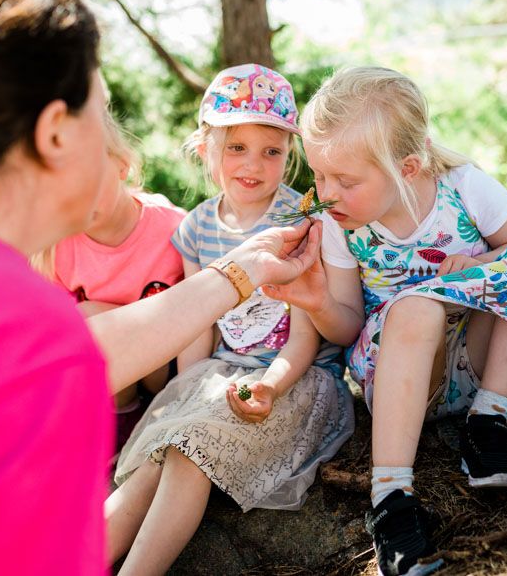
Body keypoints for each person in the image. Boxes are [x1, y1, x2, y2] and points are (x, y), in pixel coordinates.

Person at [0, 0, 321, 576]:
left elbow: (94, 344)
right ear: (58, 131)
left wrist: (240, 272)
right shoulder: (30, 323)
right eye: (101, 107)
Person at [264, 66, 507, 576]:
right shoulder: (340, 226)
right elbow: (347, 329)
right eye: (319, 176)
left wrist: (477, 266)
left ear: (407, 168)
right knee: (416, 306)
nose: (326, 193)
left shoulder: (463, 187)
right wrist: (318, 301)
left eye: (345, 181)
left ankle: (488, 422)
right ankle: (390, 496)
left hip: (479, 364)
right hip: (404, 375)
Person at [108, 64, 354, 575]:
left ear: (290, 155)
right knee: (159, 452)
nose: (254, 164)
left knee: (188, 451)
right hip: (220, 372)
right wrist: (186, 388)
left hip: (292, 379)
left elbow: (304, 334)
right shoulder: (197, 226)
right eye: (236, 146)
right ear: (206, 149)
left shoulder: (298, 220)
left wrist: (269, 384)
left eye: (271, 151)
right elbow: (201, 322)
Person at [33, 111, 186, 457]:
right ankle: (122, 418)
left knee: (91, 315)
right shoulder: (58, 246)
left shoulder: (172, 227)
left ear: (121, 166)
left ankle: (140, 419)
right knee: (79, 318)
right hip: (112, 382)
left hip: (166, 368)